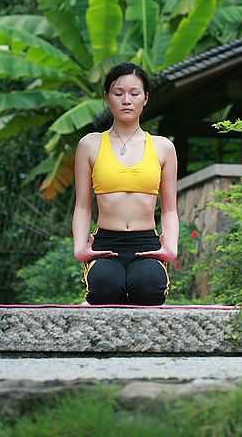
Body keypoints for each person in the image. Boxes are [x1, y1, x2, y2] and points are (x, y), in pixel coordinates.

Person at [72, 62, 179, 305]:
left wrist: (170, 247)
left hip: (146, 245)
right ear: (107, 98)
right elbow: (82, 206)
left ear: (145, 98)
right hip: (105, 245)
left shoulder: (163, 147)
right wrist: (80, 248)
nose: (126, 100)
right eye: (118, 93)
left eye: (134, 93)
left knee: (148, 290)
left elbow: (170, 208)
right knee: (104, 290)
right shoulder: (90, 144)